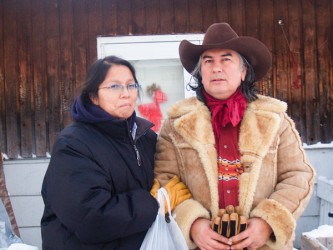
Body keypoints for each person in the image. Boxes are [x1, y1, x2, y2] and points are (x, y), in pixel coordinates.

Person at [154, 23, 315, 250]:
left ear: (243, 71)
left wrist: (267, 222)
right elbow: (165, 180)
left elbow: (298, 175)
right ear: (201, 73)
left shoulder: (274, 119)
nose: (216, 68)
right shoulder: (177, 123)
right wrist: (193, 224)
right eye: (208, 61)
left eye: (226, 59)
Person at [41, 56, 190, 249]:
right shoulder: (73, 144)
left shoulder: (146, 139)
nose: (126, 94)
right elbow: (90, 218)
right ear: (94, 96)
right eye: (114, 87)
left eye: (131, 85)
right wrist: (154, 204)